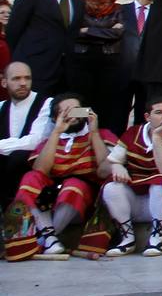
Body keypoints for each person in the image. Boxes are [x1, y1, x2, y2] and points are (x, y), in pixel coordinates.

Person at [12, 95, 114, 259]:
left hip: (82, 199)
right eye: (66, 112)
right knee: (30, 177)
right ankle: (50, 238)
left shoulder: (101, 134)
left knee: (74, 185)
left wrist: (94, 132)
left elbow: (106, 171)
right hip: (50, 199)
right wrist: (57, 131)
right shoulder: (50, 140)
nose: (73, 116)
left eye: (77, 110)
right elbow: (41, 171)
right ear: (54, 117)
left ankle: (45, 239)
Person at [100, 95, 162, 257]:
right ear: (147, 117)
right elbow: (103, 169)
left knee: (160, 181)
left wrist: (157, 137)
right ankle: (127, 238)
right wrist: (116, 166)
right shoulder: (133, 133)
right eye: (159, 112)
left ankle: (157, 237)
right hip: (137, 202)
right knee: (111, 187)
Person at [7, 0, 82, 96]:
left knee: (65, 115)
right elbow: (13, 31)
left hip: (65, 74)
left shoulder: (78, 2)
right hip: (36, 70)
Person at [67, 0, 126, 132]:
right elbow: (73, 33)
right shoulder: (78, 7)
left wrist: (88, 31)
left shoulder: (119, 9)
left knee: (105, 103)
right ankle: (79, 134)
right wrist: (107, 31)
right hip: (82, 65)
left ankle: (103, 139)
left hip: (109, 65)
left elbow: (119, 33)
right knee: (82, 103)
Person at [1, 61, 52, 207]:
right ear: (4, 82)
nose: (23, 83)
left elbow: (35, 141)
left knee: (18, 156)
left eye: (27, 78)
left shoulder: (46, 104)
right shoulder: (1, 107)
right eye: (16, 79)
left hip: (34, 164)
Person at [114, 0, 155, 134]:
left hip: (147, 72)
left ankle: (138, 148)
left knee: (143, 114)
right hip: (122, 71)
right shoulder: (120, 11)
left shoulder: (160, 15)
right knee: (118, 112)